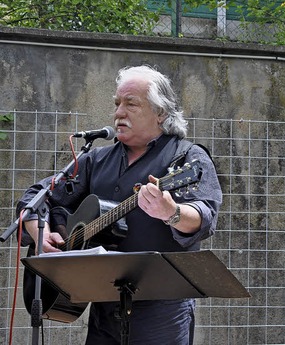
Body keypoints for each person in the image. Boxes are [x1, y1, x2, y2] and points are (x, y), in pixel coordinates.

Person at [16, 65, 222, 344]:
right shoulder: (95, 160)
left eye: (131, 104)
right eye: (116, 104)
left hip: (161, 310)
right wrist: (41, 231)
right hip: (104, 306)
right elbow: (39, 196)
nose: (118, 112)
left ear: (161, 113)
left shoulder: (187, 157)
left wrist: (171, 212)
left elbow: (204, 215)